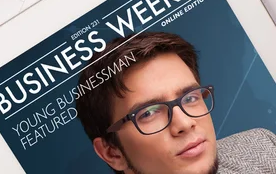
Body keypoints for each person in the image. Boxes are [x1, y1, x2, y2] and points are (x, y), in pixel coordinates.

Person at [75, 32, 276, 174]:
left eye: (190, 98)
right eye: (149, 113)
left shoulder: (263, 146)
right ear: (112, 153)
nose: (185, 123)